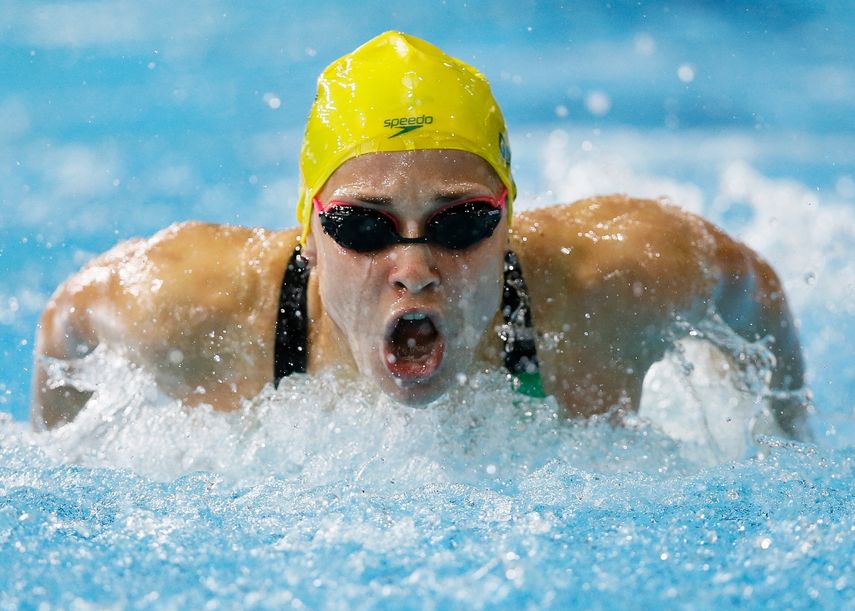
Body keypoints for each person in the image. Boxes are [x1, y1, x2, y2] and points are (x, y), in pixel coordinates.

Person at [30, 32, 809, 438]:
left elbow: (755, 290)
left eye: (460, 221)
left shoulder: (614, 282)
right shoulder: (190, 305)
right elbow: (66, 322)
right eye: (363, 226)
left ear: (508, 216)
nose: (414, 267)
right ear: (308, 229)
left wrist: (783, 435)